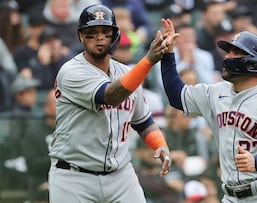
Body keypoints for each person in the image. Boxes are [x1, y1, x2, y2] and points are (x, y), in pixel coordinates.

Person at [160, 20, 257, 202]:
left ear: (253, 62)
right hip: (230, 195)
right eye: (228, 51)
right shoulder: (216, 92)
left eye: (235, 52)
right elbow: (176, 96)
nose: (227, 57)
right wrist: (168, 55)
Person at [48, 5, 172, 203]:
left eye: (106, 32)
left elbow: (142, 121)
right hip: (74, 177)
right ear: (80, 36)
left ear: (115, 36)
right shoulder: (70, 72)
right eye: (91, 33)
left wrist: (160, 145)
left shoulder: (127, 73)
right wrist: (148, 60)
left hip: (121, 176)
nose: (99, 37)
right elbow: (110, 96)